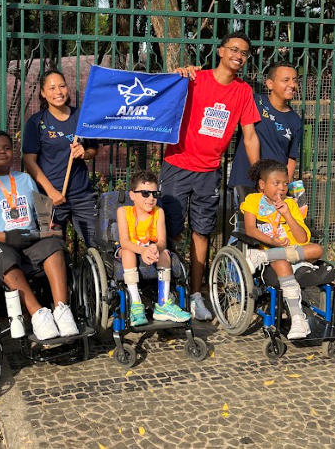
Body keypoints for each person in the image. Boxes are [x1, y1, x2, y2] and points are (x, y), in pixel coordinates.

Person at [160, 31, 261, 321]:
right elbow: (161, 95)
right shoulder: (195, 79)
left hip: (209, 171)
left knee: (201, 232)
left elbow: (250, 136)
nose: (238, 56)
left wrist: (259, 177)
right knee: (171, 231)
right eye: (233, 49)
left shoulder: (243, 92)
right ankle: (167, 295)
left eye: (244, 52)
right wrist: (177, 74)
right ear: (220, 51)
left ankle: (195, 295)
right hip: (178, 165)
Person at [0, 129, 79, 341]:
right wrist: (4, 237)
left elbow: (39, 211)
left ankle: (62, 310)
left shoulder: (25, 179)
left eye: (6, 148)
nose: (2, 152)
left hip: (29, 238)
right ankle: (39, 314)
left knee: (54, 246)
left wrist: (46, 223)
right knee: (5, 258)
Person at [241, 159, 323, 339]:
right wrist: (273, 241)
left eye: (285, 183)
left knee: (317, 249)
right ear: (262, 185)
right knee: (282, 263)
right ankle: (297, 319)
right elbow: (250, 229)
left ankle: (262, 256)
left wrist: (286, 213)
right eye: (276, 183)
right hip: (275, 253)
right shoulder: (253, 200)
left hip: (293, 250)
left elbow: (302, 238)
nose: (282, 188)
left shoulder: (291, 204)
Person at [22, 69, 99, 247]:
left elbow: (93, 149)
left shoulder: (81, 117)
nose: (58, 92)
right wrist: (50, 192)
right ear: (42, 93)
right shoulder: (36, 123)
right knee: (51, 250)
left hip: (82, 196)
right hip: (48, 199)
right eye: (52, 88)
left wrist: (84, 153)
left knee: (96, 245)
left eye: (62, 86)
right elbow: (29, 161)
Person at [116, 171, 191, 327]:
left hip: (152, 248)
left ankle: (163, 304)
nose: (151, 198)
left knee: (164, 253)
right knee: (128, 252)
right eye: (145, 193)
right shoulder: (123, 211)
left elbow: (162, 241)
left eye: (154, 194)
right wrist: (142, 250)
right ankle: (136, 303)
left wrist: (154, 247)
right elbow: (124, 241)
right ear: (132, 195)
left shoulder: (159, 212)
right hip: (130, 248)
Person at [229, 61, 302, 189]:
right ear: (270, 84)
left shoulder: (295, 120)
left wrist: (285, 186)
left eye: (295, 80)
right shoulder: (254, 101)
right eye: (285, 80)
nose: (292, 85)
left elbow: (291, 158)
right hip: (246, 182)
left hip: (274, 188)